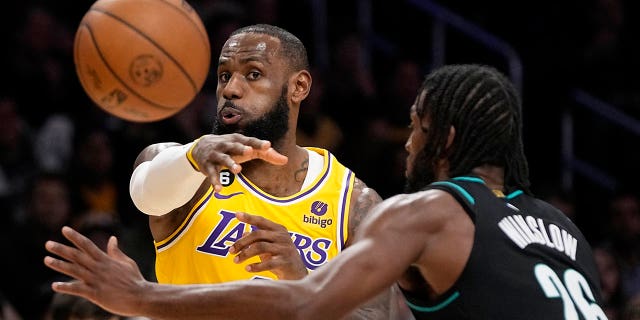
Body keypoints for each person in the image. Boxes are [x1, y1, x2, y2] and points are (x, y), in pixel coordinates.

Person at [44, 64, 608, 319]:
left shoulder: (431, 212)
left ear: (447, 137)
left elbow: (306, 306)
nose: (406, 143)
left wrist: (140, 298)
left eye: (416, 124)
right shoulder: (569, 233)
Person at [125, 24, 398, 318]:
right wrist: (193, 155)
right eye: (224, 76)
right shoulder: (184, 166)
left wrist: (304, 284)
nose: (230, 89)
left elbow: (377, 315)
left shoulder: (354, 202)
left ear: (299, 87)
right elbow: (146, 195)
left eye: (253, 74)